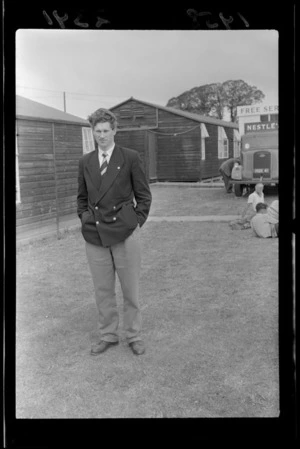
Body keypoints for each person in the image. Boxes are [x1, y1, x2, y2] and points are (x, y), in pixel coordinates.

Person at [77, 108, 152, 356]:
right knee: (103, 289)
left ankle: (134, 335)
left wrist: (135, 221)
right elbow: (82, 198)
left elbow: (143, 196)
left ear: (114, 130)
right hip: (95, 234)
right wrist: (85, 218)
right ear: (93, 132)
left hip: (125, 232)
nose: (101, 136)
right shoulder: (85, 161)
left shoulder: (129, 157)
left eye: (106, 131)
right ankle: (108, 334)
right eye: (97, 131)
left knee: (130, 288)